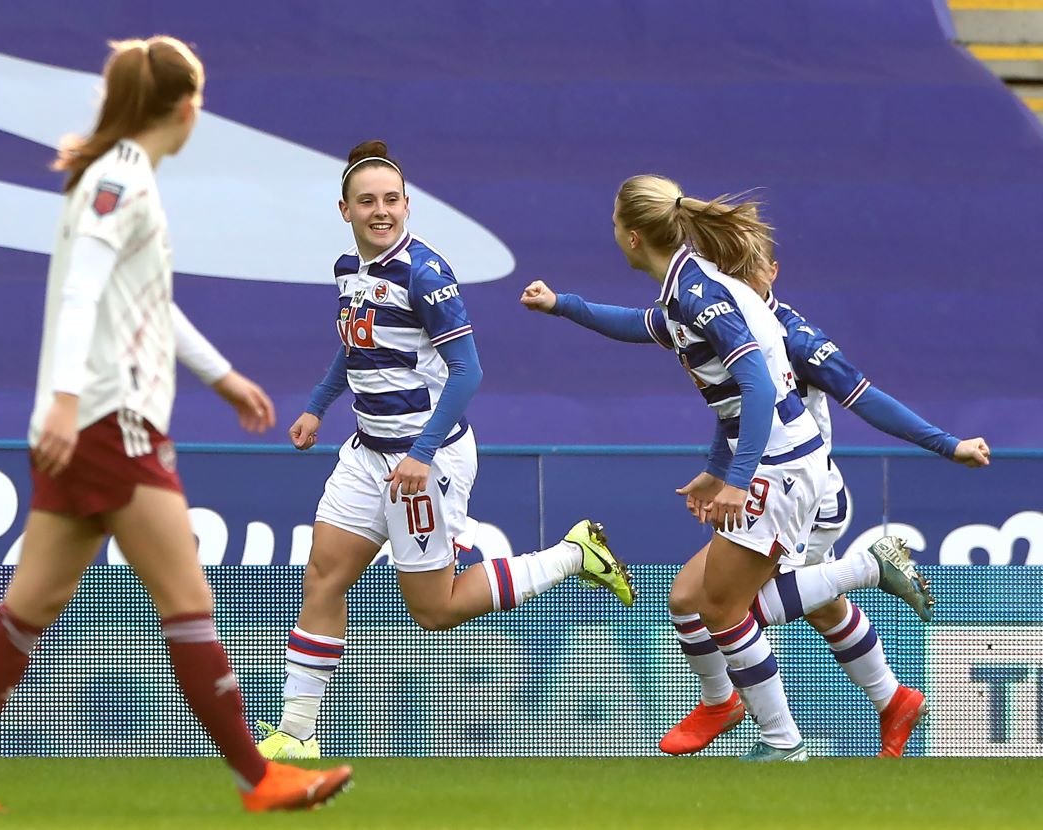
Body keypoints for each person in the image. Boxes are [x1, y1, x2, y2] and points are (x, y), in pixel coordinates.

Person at [0, 36, 351, 813]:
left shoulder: (118, 177)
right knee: (187, 601)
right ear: (185, 107)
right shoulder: (122, 181)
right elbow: (82, 291)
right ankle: (259, 776)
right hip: (112, 426)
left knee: (31, 606)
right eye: (200, 100)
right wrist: (71, 401)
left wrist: (222, 377)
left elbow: (146, 302)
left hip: (90, 426)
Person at [522, 174, 934, 761]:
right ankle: (858, 698)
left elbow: (760, 391)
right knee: (690, 597)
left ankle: (785, 735)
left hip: (785, 470)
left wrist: (736, 480)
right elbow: (653, 336)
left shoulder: (703, 294)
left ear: (632, 236)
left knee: (723, 607)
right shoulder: (686, 289)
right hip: (782, 464)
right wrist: (562, 305)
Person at [255, 140, 635, 761]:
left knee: (434, 609)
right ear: (344, 210)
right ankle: (297, 733)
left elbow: (468, 373)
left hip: (425, 461)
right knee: (324, 572)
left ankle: (573, 554)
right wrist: (316, 406)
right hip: (367, 451)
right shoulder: (348, 269)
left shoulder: (425, 274)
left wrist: (423, 453)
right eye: (368, 201)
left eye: (392, 200)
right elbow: (355, 346)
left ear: (407, 205)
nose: (382, 211)